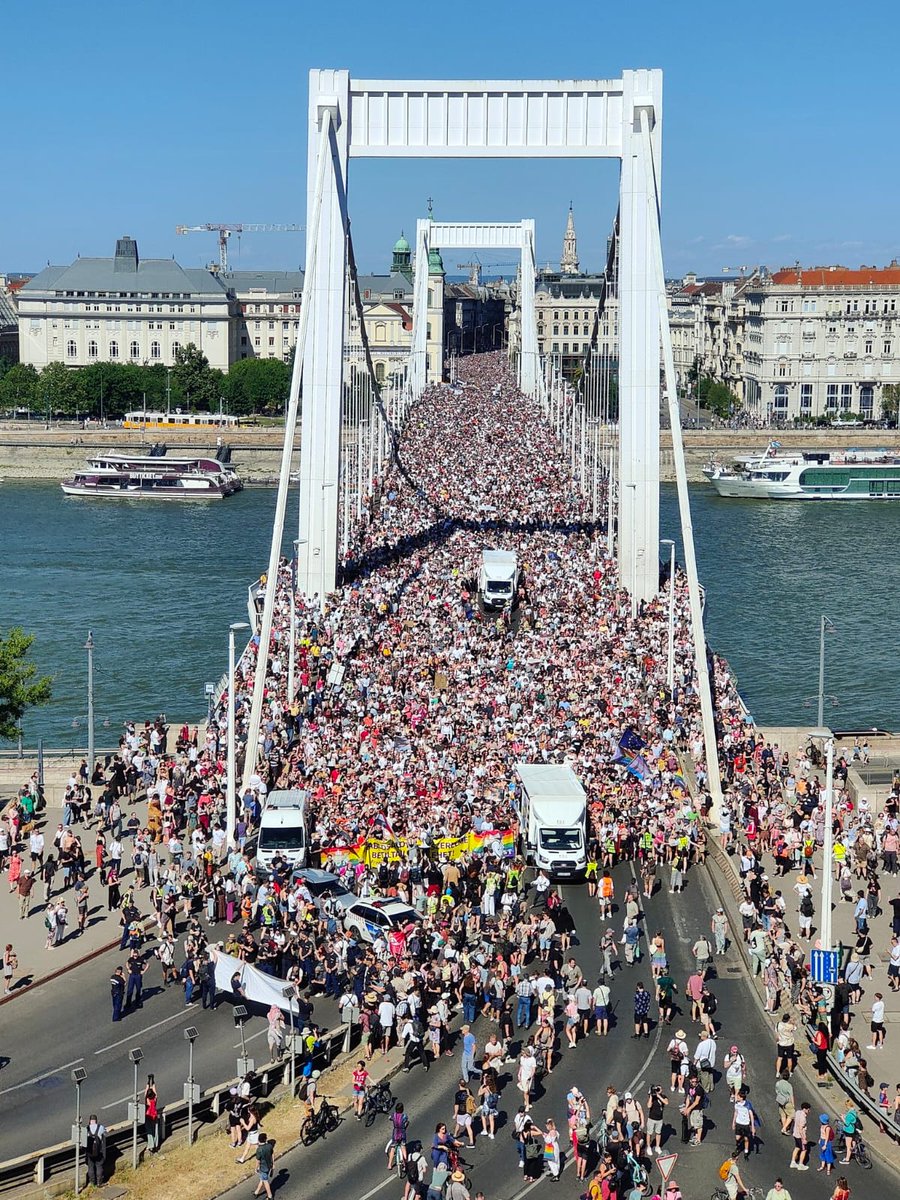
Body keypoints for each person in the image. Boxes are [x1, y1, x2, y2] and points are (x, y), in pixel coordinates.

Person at [84, 1115, 107, 1187]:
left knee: (90, 1167)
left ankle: (92, 1183)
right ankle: (99, 1183)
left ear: (90, 1121)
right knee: (99, 1166)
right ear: (96, 1120)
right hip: (99, 1151)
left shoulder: (86, 1129)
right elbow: (105, 1134)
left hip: (90, 1152)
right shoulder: (101, 1127)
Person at [253, 1130, 275, 1200]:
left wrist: (256, 1168)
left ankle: (270, 1196)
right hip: (269, 1166)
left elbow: (258, 1160)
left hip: (263, 1168)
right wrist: (273, 1163)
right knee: (262, 1179)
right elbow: (272, 1154)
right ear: (265, 1139)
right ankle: (256, 1192)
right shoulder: (269, 1146)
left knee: (265, 1181)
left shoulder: (259, 1149)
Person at [789, 1101, 810, 1170]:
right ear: (804, 1109)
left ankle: (793, 1162)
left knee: (797, 1147)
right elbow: (801, 1129)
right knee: (804, 1150)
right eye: (808, 1109)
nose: (809, 1111)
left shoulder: (797, 1112)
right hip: (800, 1136)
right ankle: (801, 1164)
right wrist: (804, 1139)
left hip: (795, 1134)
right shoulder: (803, 1118)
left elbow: (794, 1120)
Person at [144, 1076, 160, 1152]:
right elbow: (154, 1088)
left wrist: (148, 1080)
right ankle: (156, 1144)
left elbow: (146, 1090)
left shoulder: (147, 1100)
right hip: (154, 1115)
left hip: (148, 1116)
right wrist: (153, 1080)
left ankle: (151, 1145)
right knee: (155, 1130)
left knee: (149, 1131)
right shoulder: (155, 1098)